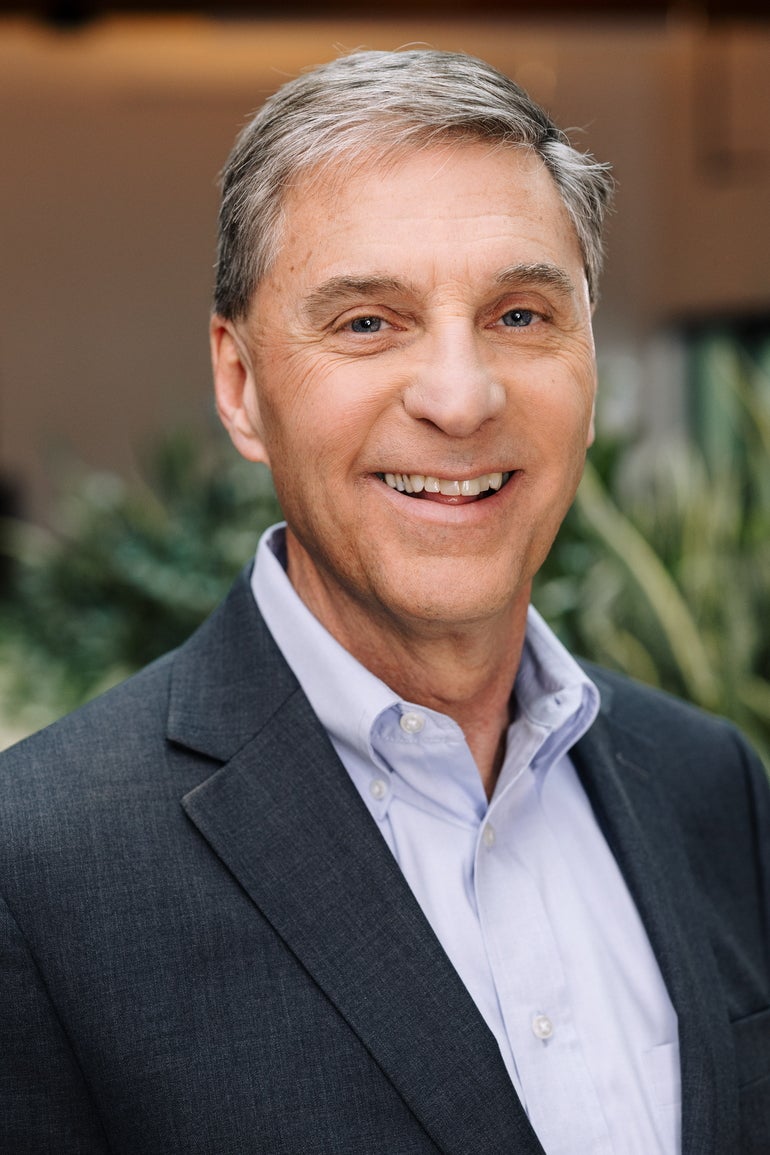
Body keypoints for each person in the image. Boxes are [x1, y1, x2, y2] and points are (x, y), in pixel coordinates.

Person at [1, 49, 768, 1155]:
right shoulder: (39, 867)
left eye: (518, 315)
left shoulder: (709, 787)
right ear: (240, 386)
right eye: (367, 322)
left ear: (589, 368)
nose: (459, 398)